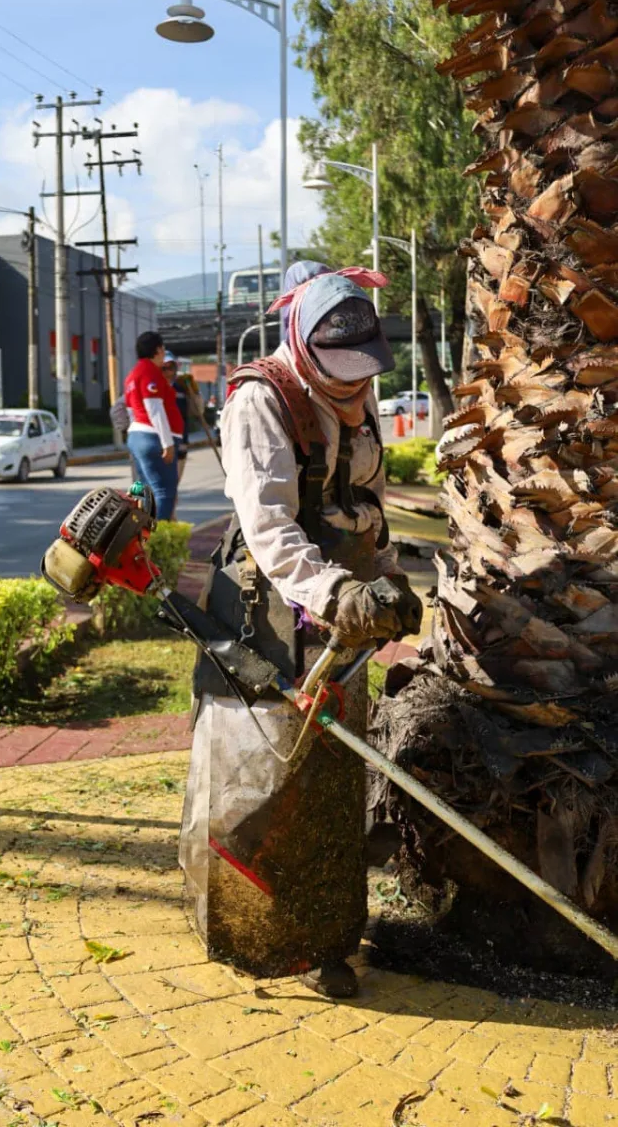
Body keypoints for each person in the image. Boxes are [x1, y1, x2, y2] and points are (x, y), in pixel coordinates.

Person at [179, 263, 423, 998]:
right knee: (266, 768)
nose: (354, 390)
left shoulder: (358, 385)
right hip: (271, 615)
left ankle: (327, 935)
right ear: (301, 343)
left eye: (363, 375)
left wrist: (386, 575)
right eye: (340, 377)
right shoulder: (262, 400)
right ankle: (253, 929)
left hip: (343, 607)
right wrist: (339, 592)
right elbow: (271, 529)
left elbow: (367, 493)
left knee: (333, 774)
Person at [125, 331, 184, 521]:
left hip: (137, 435)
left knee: (144, 490)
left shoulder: (132, 375)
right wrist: (167, 444)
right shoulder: (150, 372)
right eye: (163, 349)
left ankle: (141, 536)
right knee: (165, 492)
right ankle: (158, 541)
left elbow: (130, 410)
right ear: (158, 350)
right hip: (153, 437)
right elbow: (155, 409)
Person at [161, 352, 206, 483]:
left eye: (171, 367)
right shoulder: (154, 387)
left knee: (174, 483)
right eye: (164, 368)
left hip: (180, 441)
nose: (168, 372)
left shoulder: (181, 388)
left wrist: (194, 392)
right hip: (160, 443)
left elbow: (198, 411)